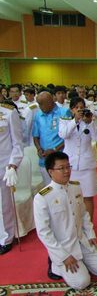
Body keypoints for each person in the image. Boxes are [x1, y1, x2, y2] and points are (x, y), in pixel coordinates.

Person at [33, 152, 97, 289]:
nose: (67, 171)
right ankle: (55, 263)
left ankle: (82, 262)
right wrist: (63, 256)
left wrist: (91, 235)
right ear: (50, 172)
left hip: (81, 240)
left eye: (68, 167)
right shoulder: (43, 197)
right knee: (82, 283)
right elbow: (44, 232)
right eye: (61, 168)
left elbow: (84, 215)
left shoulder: (75, 187)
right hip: (64, 247)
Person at [59, 97, 97, 220]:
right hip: (71, 165)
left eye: (81, 107)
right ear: (72, 110)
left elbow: (96, 138)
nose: (79, 110)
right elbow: (63, 134)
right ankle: (74, 225)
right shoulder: (64, 121)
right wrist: (75, 121)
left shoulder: (89, 120)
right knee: (71, 197)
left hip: (87, 165)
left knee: (88, 196)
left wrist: (90, 123)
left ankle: (89, 226)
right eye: (77, 108)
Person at [0, 102, 23, 255]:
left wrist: (13, 163)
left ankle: (6, 239)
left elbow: (17, 143)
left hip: (3, 165)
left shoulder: (8, 112)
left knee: (4, 204)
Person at [33, 91, 71, 185]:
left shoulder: (64, 112)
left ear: (50, 102)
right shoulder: (38, 115)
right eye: (39, 104)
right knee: (49, 189)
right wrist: (39, 149)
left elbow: (69, 137)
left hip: (61, 157)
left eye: (42, 104)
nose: (40, 107)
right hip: (44, 159)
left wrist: (55, 149)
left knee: (64, 187)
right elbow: (35, 136)